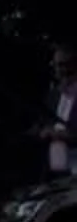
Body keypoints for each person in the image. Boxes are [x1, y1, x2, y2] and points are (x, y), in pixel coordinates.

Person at [37, 44, 77, 177]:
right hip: (57, 171)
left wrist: (68, 135)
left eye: (63, 64)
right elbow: (42, 124)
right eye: (55, 65)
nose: (59, 70)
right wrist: (44, 131)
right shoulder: (53, 95)